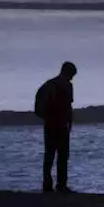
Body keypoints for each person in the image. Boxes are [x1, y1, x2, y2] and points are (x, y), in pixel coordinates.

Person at [34, 61, 77, 193]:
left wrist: (47, 118)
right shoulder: (65, 86)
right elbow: (68, 108)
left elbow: (38, 107)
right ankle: (60, 185)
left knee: (51, 156)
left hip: (54, 125)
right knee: (60, 156)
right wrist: (68, 122)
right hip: (59, 125)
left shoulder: (49, 86)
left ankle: (49, 184)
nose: (71, 78)